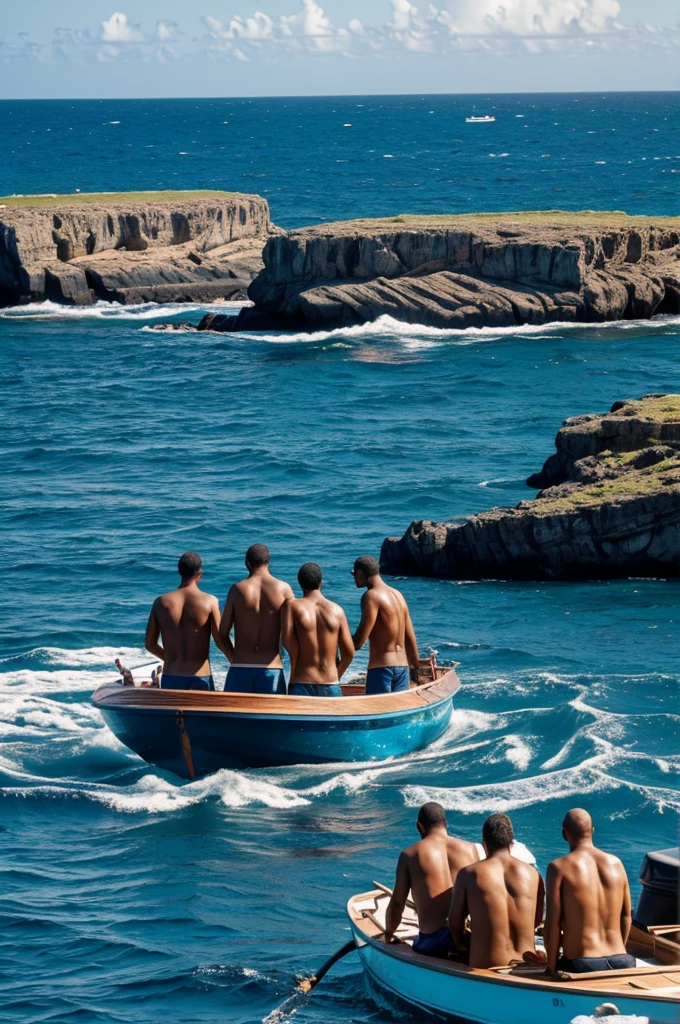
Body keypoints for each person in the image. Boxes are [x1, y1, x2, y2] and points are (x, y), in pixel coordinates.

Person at [448, 813, 544, 969]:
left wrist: (461, 945)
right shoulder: (533, 874)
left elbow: (455, 924)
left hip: (487, 967)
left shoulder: (468, 874)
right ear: (511, 843)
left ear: (484, 843)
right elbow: (537, 921)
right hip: (527, 966)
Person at [544, 808, 634, 974]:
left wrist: (551, 967)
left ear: (564, 834)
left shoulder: (558, 868)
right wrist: (620, 953)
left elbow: (552, 925)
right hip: (623, 960)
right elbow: (626, 915)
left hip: (582, 964)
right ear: (592, 830)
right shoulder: (616, 864)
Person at [385, 802, 480, 959]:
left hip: (433, 942)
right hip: (469, 937)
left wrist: (389, 933)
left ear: (420, 827)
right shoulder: (470, 849)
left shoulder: (409, 855)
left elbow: (397, 904)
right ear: (445, 824)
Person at [145, 552, 227, 690]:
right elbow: (220, 640)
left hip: (171, 675)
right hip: (200, 676)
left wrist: (170, 660)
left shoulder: (161, 602)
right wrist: (234, 660)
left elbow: (150, 644)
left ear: (179, 572)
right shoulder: (210, 601)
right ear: (199, 573)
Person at [220, 544, 294, 695]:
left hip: (240, 666)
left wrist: (233, 658)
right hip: (271, 668)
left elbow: (222, 633)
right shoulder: (284, 589)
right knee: (270, 717)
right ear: (268, 562)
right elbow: (291, 635)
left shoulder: (237, 590)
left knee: (236, 717)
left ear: (247, 563)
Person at [281, 562, 354, 697]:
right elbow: (349, 652)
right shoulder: (338, 610)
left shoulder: (292, 606)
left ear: (300, 584)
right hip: (330, 683)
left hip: (301, 681)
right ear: (321, 583)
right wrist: (337, 676)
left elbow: (287, 641)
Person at [351, 555, 420, 695]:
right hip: (402, 668)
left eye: (354, 575)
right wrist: (415, 670)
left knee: (376, 714)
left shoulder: (371, 596)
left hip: (381, 669)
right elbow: (410, 638)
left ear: (360, 573)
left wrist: (337, 646)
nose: (354, 579)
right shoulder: (398, 595)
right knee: (397, 713)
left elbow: (359, 642)